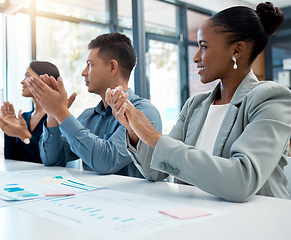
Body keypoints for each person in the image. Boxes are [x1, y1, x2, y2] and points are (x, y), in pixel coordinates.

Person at [106, 2, 291, 202]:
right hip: (197, 219)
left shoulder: (271, 99)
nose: (195, 57)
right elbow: (155, 171)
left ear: (237, 51)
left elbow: (241, 180)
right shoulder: (195, 105)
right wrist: (134, 129)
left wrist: (153, 137)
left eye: (203, 46)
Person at [27, 32, 162, 177]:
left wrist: (61, 112)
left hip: (133, 199)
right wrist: (52, 114)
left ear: (112, 67)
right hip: (92, 197)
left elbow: (106, 162)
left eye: (90, 65)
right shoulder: (87, 116)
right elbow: (52, 160)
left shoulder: (145, 112)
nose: (83, 73)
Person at [0, 61, 60, 163]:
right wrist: (9, 131)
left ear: (44, 80)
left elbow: (48, 161)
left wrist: (25, 136)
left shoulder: (55, 119)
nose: (22, 81)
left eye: (27, 76)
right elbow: (10, 159)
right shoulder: (24, 117)